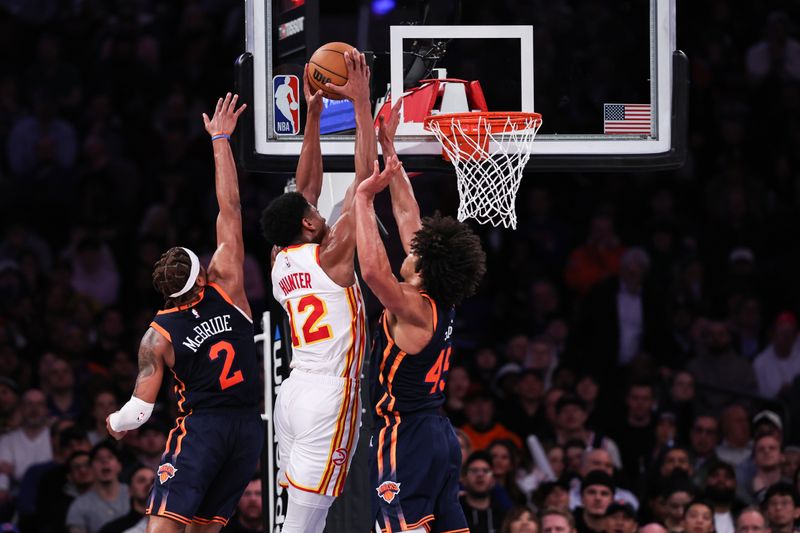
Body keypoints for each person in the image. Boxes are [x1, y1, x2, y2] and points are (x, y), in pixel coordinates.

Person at [105, 92, 262, 531]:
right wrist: (220, 139)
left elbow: (138, 413)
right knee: (204, 528)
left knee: (165, 525)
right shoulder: (228, 284)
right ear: (202, 275)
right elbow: (230, 207)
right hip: (247, 431)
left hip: (204, 430)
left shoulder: (159, 334)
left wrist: (114, 423)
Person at [355, 100, 486, 533]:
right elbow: (410, 215)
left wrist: (362, 198)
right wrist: (389, 149)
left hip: (405, 434)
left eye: (417, 254)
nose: (410, 252)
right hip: (440, 437)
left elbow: (373, 271)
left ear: (426, 267)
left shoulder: (414, 306)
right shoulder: (437, 298)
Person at [260, 51, 373, 533]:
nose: (317, 206)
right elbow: (364, 185)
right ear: (308, 224)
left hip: (293, 393)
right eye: (312, 210)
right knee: (304, 525)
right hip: (328, 392)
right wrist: (362, 104)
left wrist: (314, 116)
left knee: (302, 519)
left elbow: (305, 188)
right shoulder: (331, 256)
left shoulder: (278, 261)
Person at [65, 442, 130, 533]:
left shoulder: (136, 494)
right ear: (91, 468)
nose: (105, 462)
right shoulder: (79, 505)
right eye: (98, 459)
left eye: (110, 457)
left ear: (119, 466)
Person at [98, 465, 155, 533]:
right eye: (141, 480)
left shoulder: (167, 525)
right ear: (129, 490)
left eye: (153, 481)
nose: (149, 484)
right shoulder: (112, 529)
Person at [460, 451, 507, 533]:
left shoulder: (504, 514)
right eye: (474, 470)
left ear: (493, 480)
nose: (480, 475)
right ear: (464, 479)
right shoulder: (454, 512)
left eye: (486, 471)